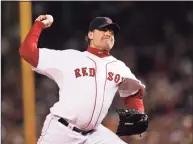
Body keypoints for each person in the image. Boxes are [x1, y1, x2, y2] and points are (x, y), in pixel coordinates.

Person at [19, 14, 146, 144]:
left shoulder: (119, 67)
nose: (109, 33)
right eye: (103, 29)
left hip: (94, 134)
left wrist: (137, 117)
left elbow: (133, 94)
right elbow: (27, 52)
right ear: (90, 35)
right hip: (62, 131)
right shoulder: (70, 58)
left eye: (112, 32)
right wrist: (39, 25)